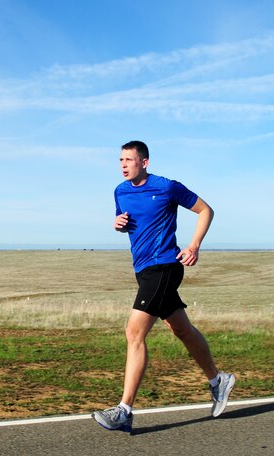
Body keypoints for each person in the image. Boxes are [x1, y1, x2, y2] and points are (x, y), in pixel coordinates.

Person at [92, 140, 235, 433]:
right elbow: (130, 223)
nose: (123, 165)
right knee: (180, 329)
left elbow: (206, 210)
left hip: (165, 267)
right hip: (143, 270)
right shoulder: (119, 191)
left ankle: (124, 410)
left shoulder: (167, 187)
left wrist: (194, 245)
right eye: (120, 160)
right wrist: (118, 224)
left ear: (144, 162)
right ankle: (218, 380)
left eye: (129, 160)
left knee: (134, 332)